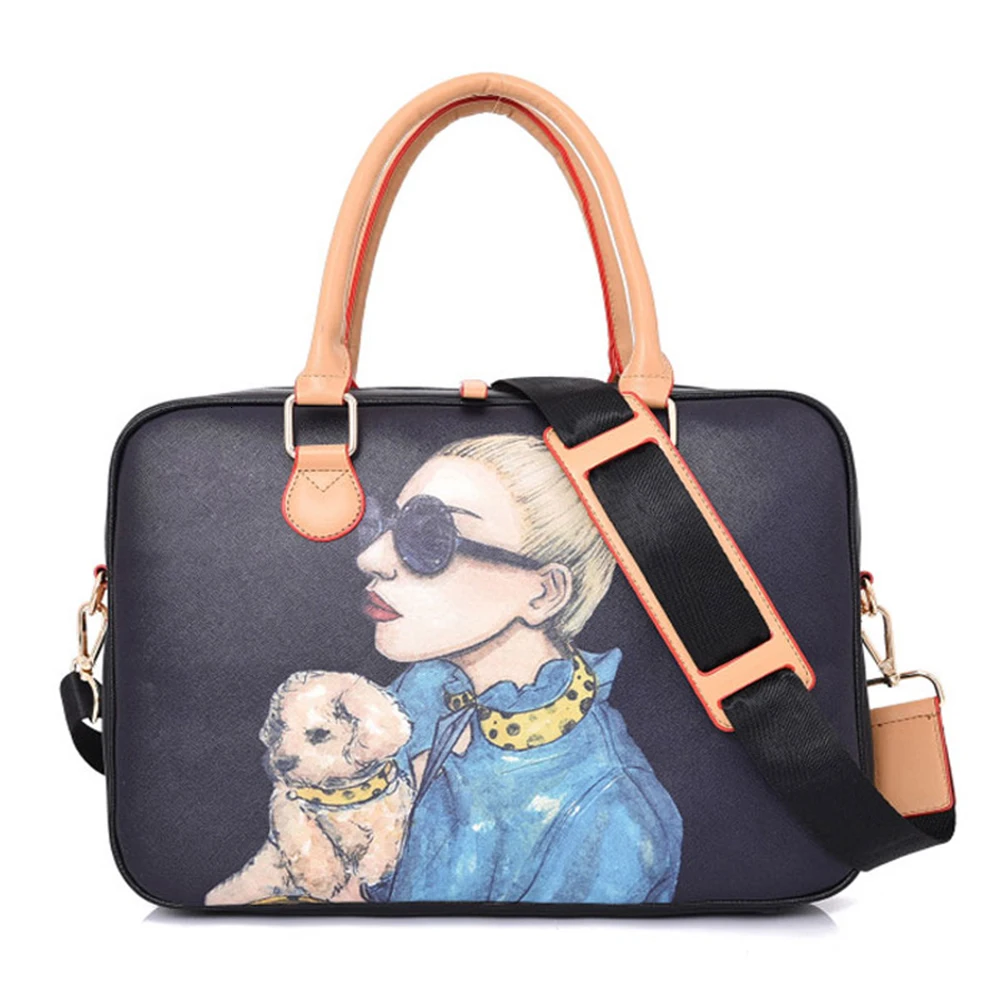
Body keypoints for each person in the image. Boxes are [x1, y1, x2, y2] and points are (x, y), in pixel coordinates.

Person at [355, 432, 683, 904]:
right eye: (387, 525)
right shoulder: (426, 688)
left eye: (428, 537)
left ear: (545, 592)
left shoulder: (610, 813)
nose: (370, 558)